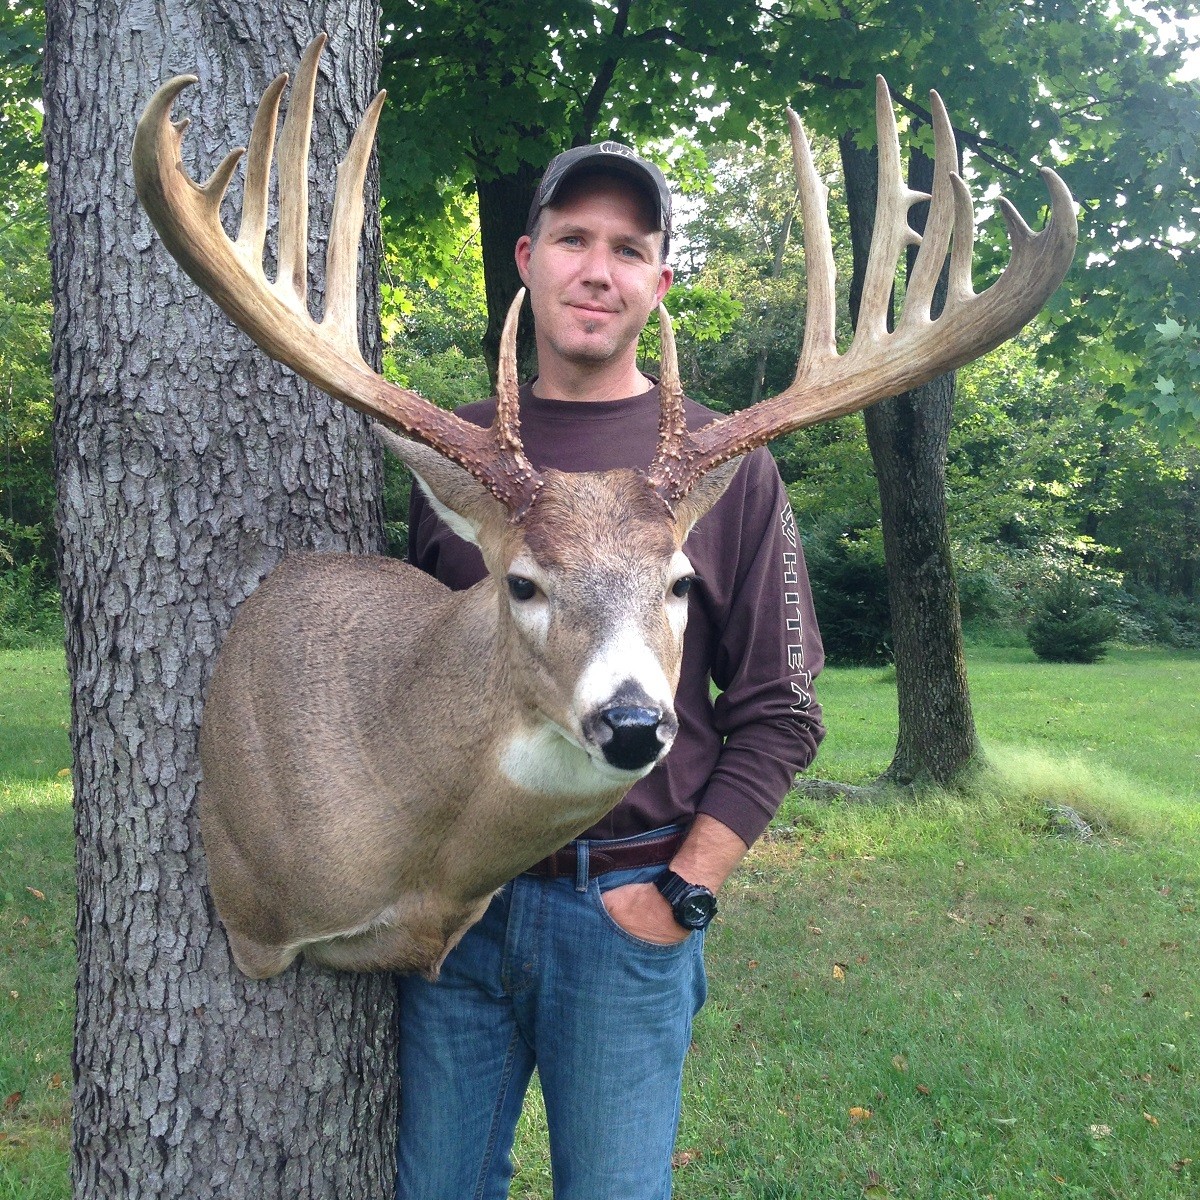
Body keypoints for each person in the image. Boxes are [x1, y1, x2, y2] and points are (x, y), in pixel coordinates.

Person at [395, 140, 825, 1200]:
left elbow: (782, 712)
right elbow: (405, 686)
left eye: (629, 249)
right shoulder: (454, 464)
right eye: (575, 241)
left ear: (659, 281)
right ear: (527, 259)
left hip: (630, 901)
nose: (600, 269)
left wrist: (682, 893)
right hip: (460, 912)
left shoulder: (732, 467)